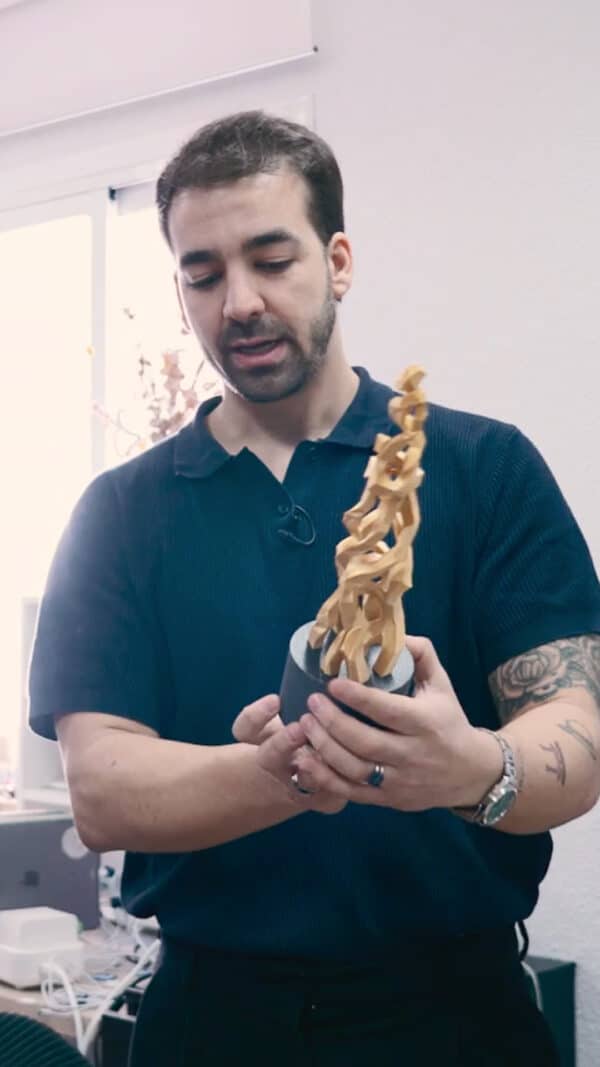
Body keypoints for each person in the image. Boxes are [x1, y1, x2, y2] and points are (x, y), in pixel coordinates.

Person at [29, 111, 600, 1067]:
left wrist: (466, 767)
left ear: (337, 261)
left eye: (272, 259)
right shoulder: (120, 515)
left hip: (457, 1019)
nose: (239, 301)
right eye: (203, 274)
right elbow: (103, 790)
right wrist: (285, 773)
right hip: (214, 1022)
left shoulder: (484, 468)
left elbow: (575, 734)